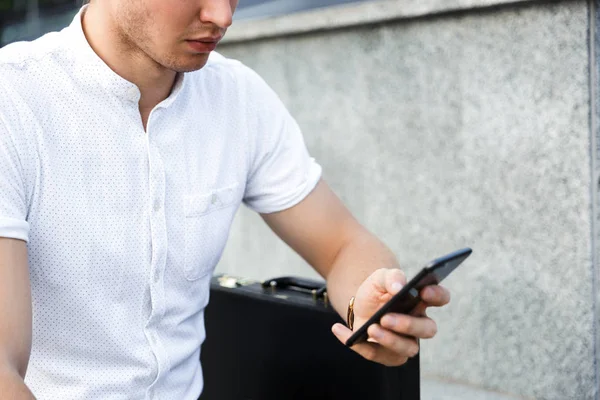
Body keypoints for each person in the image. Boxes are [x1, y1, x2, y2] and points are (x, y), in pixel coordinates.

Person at [0, 0, 451, 398]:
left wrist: (370, 304)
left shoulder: (238, 97)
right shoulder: (14, 99)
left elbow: (343, 244)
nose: (223, 15)